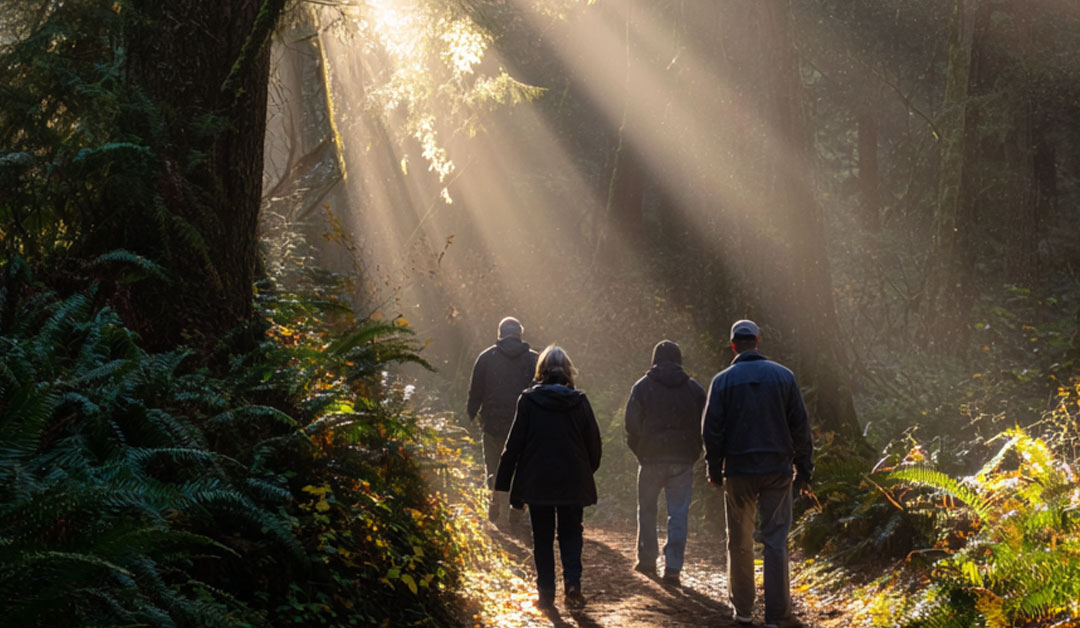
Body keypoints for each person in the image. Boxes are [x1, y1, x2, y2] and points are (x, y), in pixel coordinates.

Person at [701, 320, 813, 628]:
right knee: (775, 540)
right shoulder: (784, 376)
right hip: (777, 470)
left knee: (739, 540)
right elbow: (800, 428)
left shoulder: (722, 382)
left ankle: (744, 611)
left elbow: (711, 429)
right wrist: (804, 469)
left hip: (738, 471)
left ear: (734, 345)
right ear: (758, 341)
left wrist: (714, 467)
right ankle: (777, 613)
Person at [494, 345, 602, 611]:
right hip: (572, 479)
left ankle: (545, 594)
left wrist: (502, 487)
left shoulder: (528, 401)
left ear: (540, 371)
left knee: (541, 535)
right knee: (571, 532)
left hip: (537, 480)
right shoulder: (579, 401)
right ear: (567, 371)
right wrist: (586, 471)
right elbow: (594, 445)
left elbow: (513, 446)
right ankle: (573, 584)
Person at [625, 340, 706, 585]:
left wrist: (640, 449)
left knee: (647, 510)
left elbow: (631, 423)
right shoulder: (694, 389)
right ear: (679, 360)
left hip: (650, 458)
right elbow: (705, 423)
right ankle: (673, 567)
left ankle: (648, 560)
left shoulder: (642, 387)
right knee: (678, 514)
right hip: (682, 459)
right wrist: (695, 450)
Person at [467, 316, 539, 527]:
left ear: (500, 333)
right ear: (520, 334)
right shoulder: (534, 360)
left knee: (494, 467)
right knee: (521, 467)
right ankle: (517, 507)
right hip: (524, 427)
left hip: (492, 424)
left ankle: (496, 503)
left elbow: (475, 393)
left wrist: (470, 416)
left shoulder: (486, 357)